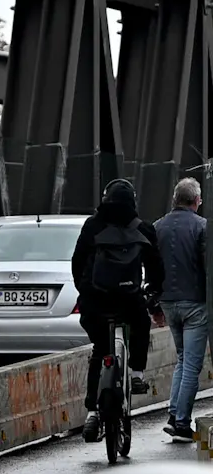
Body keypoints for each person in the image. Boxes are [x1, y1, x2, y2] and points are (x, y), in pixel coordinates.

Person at [71, 176, 164, 443]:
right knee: (141, 325)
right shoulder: (142, 228)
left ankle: (92, 411)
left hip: (96, 301)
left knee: (100, 350)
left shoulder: (93, 226)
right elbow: (156, 266)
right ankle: (136, 373)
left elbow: (78, 262)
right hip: (129, 299)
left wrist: (84, 290)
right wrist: (153, 292)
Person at [155, 175, 209, 441]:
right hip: (195, 303)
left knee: (182, 359)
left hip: (167, 301)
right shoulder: (202, 227)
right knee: (191, 365)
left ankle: (173, 413)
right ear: (197, 200)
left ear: (175, 199)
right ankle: (182, 423)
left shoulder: (157, 227)